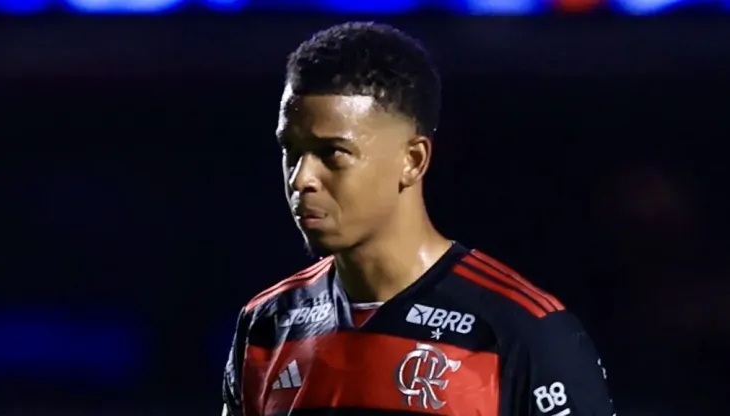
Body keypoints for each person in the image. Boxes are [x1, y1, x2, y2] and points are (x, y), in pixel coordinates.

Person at [222, 21, 614, 416]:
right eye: (292, 150)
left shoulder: (524, 332)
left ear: (413, 161)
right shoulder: (266, 326)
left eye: (332, 153)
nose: (301, 178)